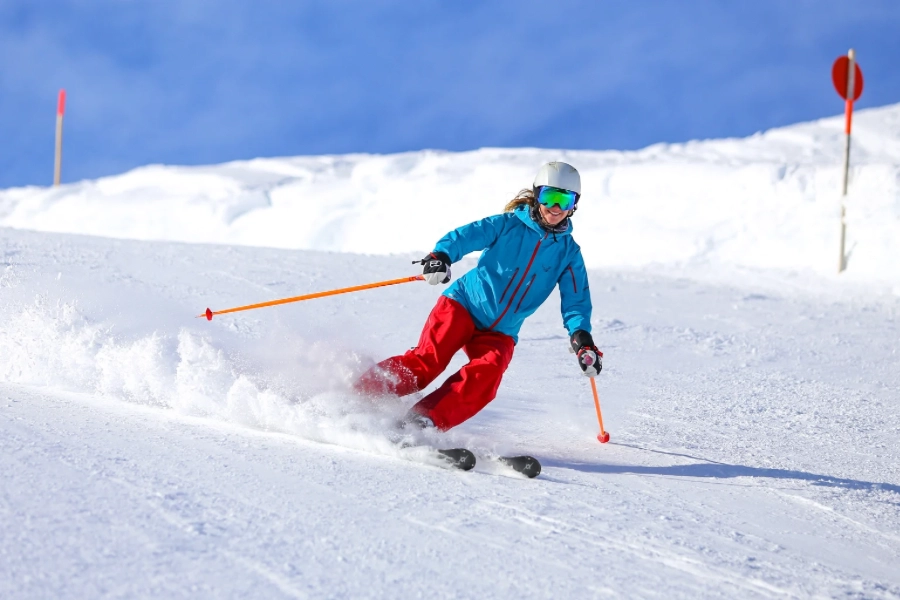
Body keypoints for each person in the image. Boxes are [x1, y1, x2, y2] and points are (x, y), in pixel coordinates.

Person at [354, 161, 602, 431]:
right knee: (427, 363)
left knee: (487, 376)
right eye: (549, 197)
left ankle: (422, 423)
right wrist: (441, 257)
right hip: (463, 305)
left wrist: (582, 338)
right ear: (536, 195)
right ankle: (359, 393)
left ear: (574, 205)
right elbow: (465, 236)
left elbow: (575, 300)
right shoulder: (507, 225)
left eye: (564, 200)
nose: (555, 208)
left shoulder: (569, 253)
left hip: (501, 331)